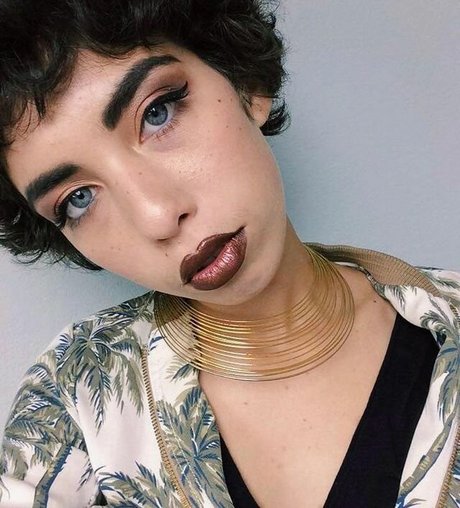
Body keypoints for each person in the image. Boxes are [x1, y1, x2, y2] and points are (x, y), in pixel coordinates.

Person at [0, 0, 458, 506]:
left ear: (244, 82)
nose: (157, 216)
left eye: (157, 113)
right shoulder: (74, 390)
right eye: (78, 199)